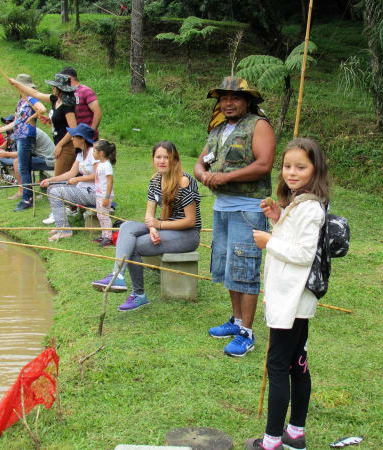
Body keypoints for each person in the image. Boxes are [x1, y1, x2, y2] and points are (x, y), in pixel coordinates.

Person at [246, 138, 329, 450]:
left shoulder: (311, 208)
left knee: (279, 366)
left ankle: (271, 442)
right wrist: (278, 218)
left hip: (292, 301)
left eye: (301, 167)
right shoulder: (301, 203)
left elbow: (303, 254)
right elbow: (294, 237)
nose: (291, 172)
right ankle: (294, 434)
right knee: (297, 363)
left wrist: (269, 241)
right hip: (294, 300)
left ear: (315, 169)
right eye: (287, 166)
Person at [193, 76, 276, 357]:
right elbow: (200, 161)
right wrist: (204, 174)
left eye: (235, 98)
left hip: (248, 208)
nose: (228, 103)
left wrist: (225, 176)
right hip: (222, 208)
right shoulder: (217, 130)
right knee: (229, 265)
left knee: (246, 266)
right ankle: (236, 320)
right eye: (224, 98)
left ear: (247, 101)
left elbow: (264, 164)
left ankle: (247, 332)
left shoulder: (258, 125)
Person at [91, 141, 201, 312]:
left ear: (174, 160)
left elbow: (191, 221)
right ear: (153, 159)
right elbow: (149, 213)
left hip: (187, 234)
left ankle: (139, 294)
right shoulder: (155, 180)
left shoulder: (184, 181)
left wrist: (159, 224)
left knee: (134, 245)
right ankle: (117, 275)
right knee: (126, 226)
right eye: (158, 157)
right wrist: (152, 227)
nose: (162, 161)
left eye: (167, 157)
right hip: (163, 227)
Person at [0, 74, 47, 211]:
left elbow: (42, 109)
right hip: (19, 136)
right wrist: (0, 129)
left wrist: (33, 118)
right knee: (25, 167)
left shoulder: (30, 98)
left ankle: (27, 199)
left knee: (23, 167)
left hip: (26, 136)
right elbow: (16, 122)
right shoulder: (21, 101)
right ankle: (27, 197)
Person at [10, 72, 78, 177]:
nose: (52, 88)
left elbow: (73, 128)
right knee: (60, 179)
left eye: (54, 86)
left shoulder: (67, 105)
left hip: (67, 146)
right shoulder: (55, 100)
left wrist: (60, 145)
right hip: (60, 144)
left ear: (60, 89)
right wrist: (51, 121)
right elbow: (36, 94)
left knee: (59, 180)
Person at [39, 123, 97, 241]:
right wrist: (50, 180)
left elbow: (97, 176)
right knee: (51, 188)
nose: (71, 139)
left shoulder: (93, 153)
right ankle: (61, 224)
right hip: (83, 189)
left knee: (55, 192)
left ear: (82, 139)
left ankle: (65, 230)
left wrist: (78, 179)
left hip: (94, 194)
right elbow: (70, 173)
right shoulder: (81, 154)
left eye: (74, 136)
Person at [59, 66, 102, 139]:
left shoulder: (85, 91)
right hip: (73, 137)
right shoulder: (66, 93)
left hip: (87, 138)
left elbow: (97, 112)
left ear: (70, 78)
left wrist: (91, 131)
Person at [92, 140, 116, 247]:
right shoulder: (100, 164)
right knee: (99, 215)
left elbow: (110, 181)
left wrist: (106, 197)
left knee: (104, 216)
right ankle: (104, 234)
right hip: (99, 194)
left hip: (105, 196)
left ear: (101, 153)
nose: (93, 153)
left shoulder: (107, 165)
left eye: (94, 151)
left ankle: (108, 237)